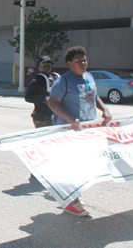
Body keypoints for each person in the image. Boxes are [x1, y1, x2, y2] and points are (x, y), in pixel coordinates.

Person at [48, 46, 112, 217]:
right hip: (70, 131)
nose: (83, 63)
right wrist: (69, 118)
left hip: (87, 131)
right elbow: (52, 102)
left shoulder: (89, 77)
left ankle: (74, 195)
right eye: (78, 61)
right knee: (71, 166)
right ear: (69, 63)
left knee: (83, 165)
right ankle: (70, 201)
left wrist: (104, 110)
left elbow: (95, 96)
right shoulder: (64, 81)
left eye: (84, 60)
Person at [25, 56, 60, 128]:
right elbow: (28, 97)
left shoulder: (56, 77)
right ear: (38, 67)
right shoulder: (37, 81)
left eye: (49, 63)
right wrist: (44, 98)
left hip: (58, 115)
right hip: (42, 117)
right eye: (44, 64)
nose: (47, 65)